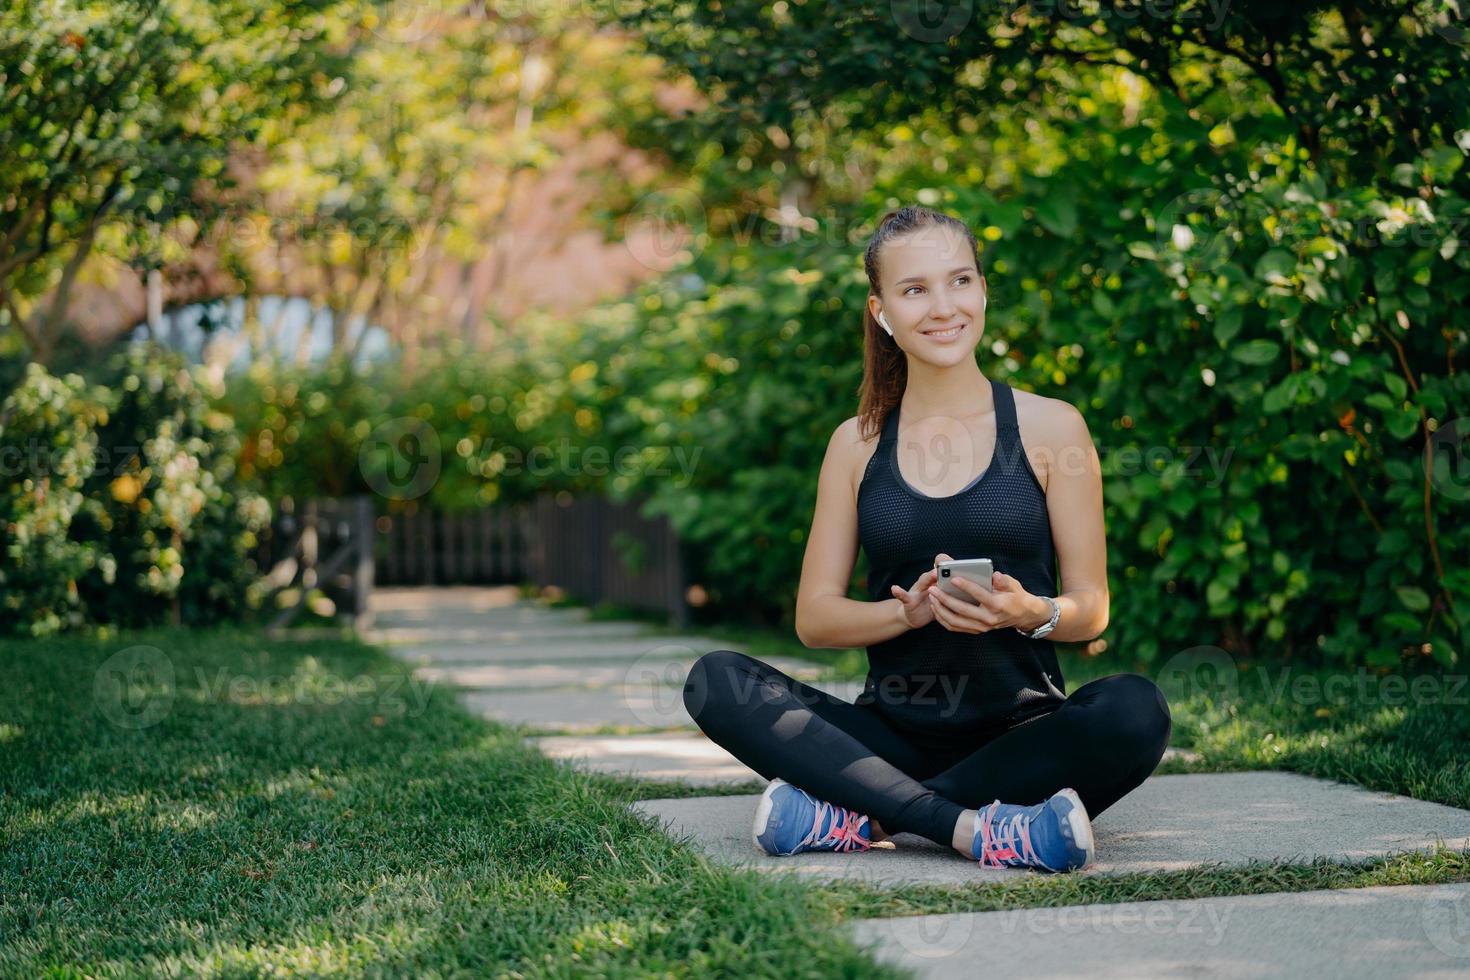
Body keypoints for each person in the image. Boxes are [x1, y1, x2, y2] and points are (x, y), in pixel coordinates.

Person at [683, 205, 1173, 873]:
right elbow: (815, 619)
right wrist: (903, 613)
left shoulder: (1053, 427)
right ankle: (979, 831)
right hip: (888, 736)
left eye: (959, 281)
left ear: (982, 291)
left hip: (1021, 739)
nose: (943, 307)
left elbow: (1091, 609)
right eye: (915, 290)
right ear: (881, 310)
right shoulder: (855, 443)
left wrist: (1029, 612)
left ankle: (861, 814)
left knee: (1135, 708)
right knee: (716, 681)